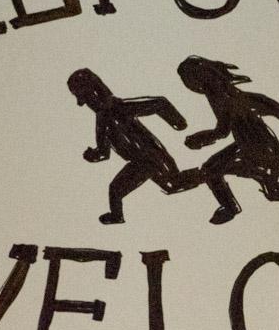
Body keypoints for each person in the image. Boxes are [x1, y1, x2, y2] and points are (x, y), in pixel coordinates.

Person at [176, 55, 279, 224]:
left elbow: (222, 130)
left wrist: (201, 138)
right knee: (211, 169)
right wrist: (202, 138)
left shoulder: (226, 97)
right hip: (243, 146)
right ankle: (230, 207)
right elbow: (225, 127)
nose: (195, 87)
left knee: (272, 190)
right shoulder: (218, 95)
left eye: (193, 80)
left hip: (263, 149)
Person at [67, 68, 199, 224]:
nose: (86, 102)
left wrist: (178, 122)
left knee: (173, 184)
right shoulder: (102, 119)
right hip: (139, 162)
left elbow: (160, 103)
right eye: (83, 98)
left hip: (153, 157)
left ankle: (209, 172)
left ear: (99, 89)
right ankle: (117, 216)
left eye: (86, 96)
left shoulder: (119, 107)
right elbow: (104, 153)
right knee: (116, 190)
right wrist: (93, 154)